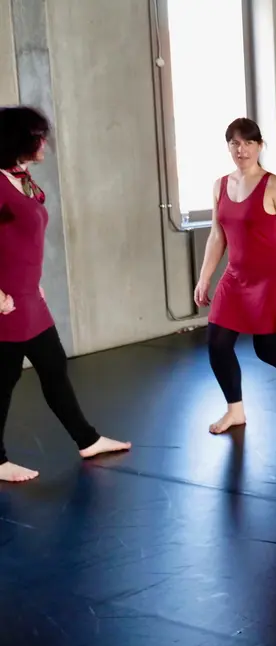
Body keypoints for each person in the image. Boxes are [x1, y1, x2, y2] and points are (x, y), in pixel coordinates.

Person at [0, 106, 130, 482]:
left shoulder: (19, 178)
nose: (44, 142)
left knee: (54, 367)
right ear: (18, 139)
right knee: (3, 381)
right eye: (38, 136)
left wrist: (31, 279)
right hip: (6, 306)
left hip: (29, 298)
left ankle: (87, 439)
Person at [193, 118, 276, 434]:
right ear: (228, 147)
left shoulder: (275, 186)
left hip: (272, 279)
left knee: (266, 350)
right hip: (235, 277)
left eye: (248, 143)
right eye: (235, 144)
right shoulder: (220, 185)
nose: (242, 150)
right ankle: (235, 411)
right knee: (217, 343)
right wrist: (204, 278)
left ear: (260, 146)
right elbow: (217, 236)